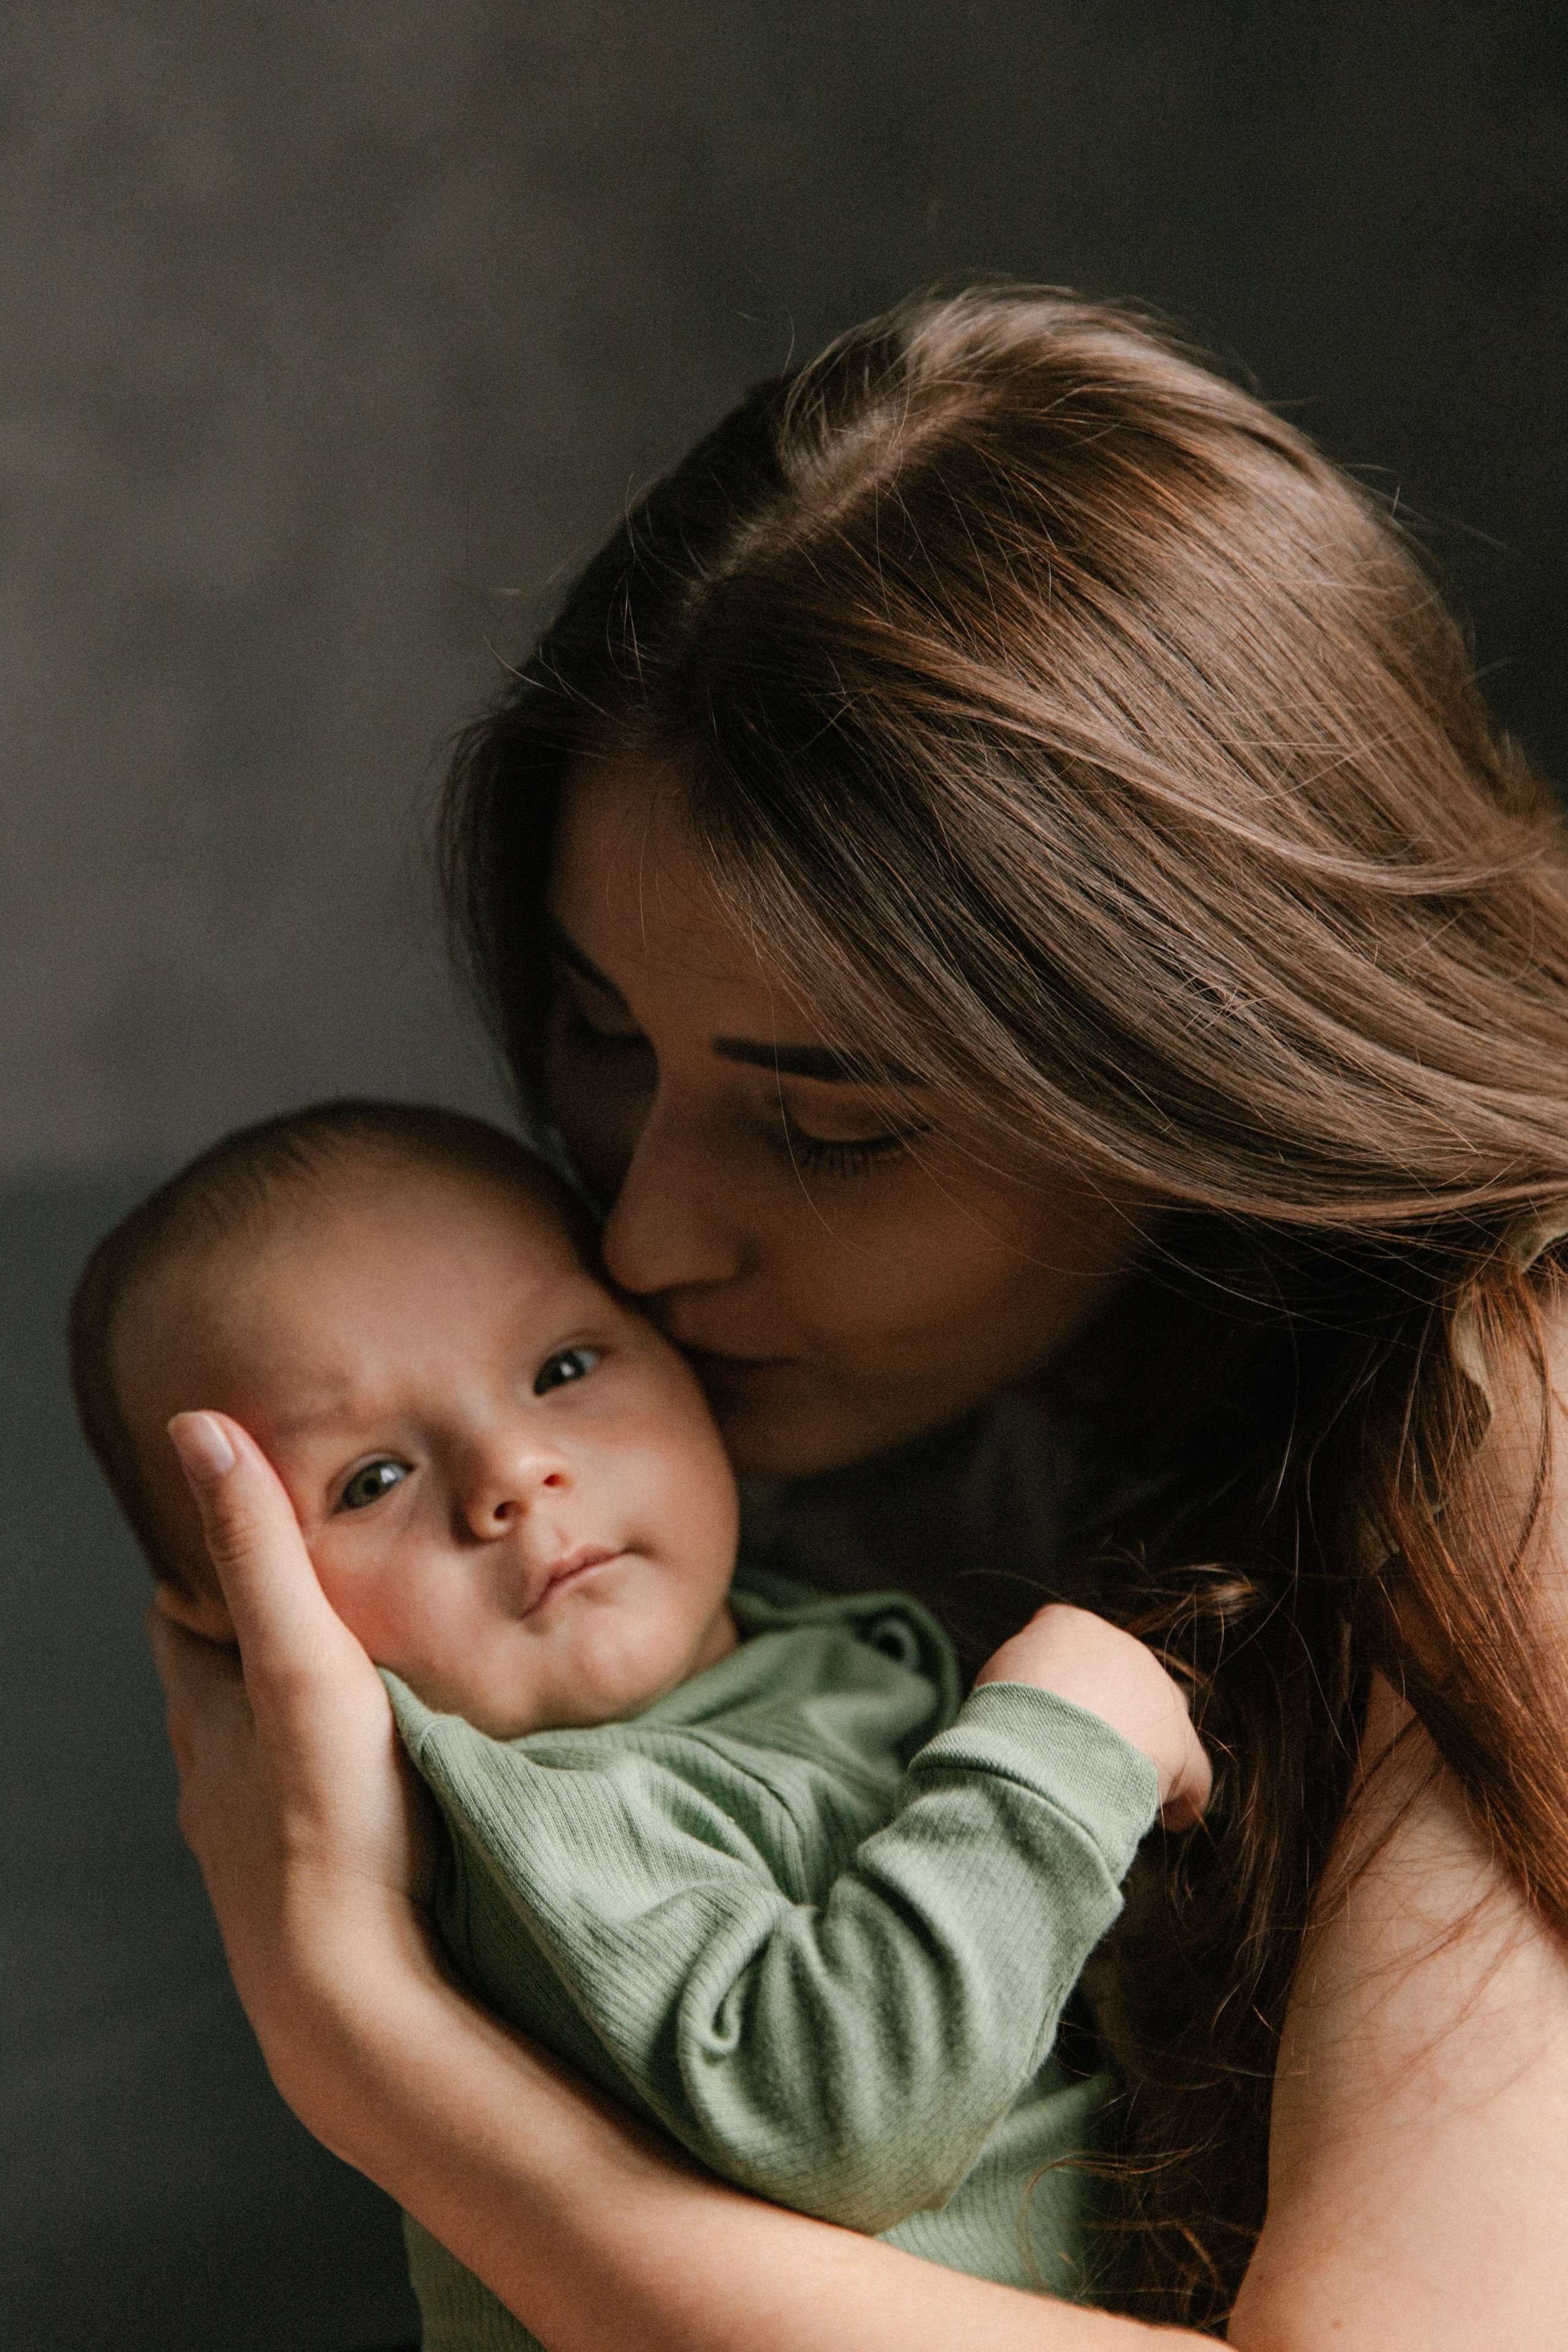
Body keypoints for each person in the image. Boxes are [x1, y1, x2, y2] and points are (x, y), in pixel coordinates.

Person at [149, 286, 1568, 2348]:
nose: (645, 1239)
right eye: (602, 1034)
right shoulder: (731, 1463)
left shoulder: (1520, 1400)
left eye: (833, 1129)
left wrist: (381, 2057)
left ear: (1200, 1077)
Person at [71, 1096, 1210, 2350]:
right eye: (371, 1480)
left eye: (562, 1369)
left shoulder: (792, 1645)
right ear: (244, 1622)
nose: (513, 1475)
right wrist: (1057, 1746)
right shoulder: (539, 1809)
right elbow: (843, 2128)